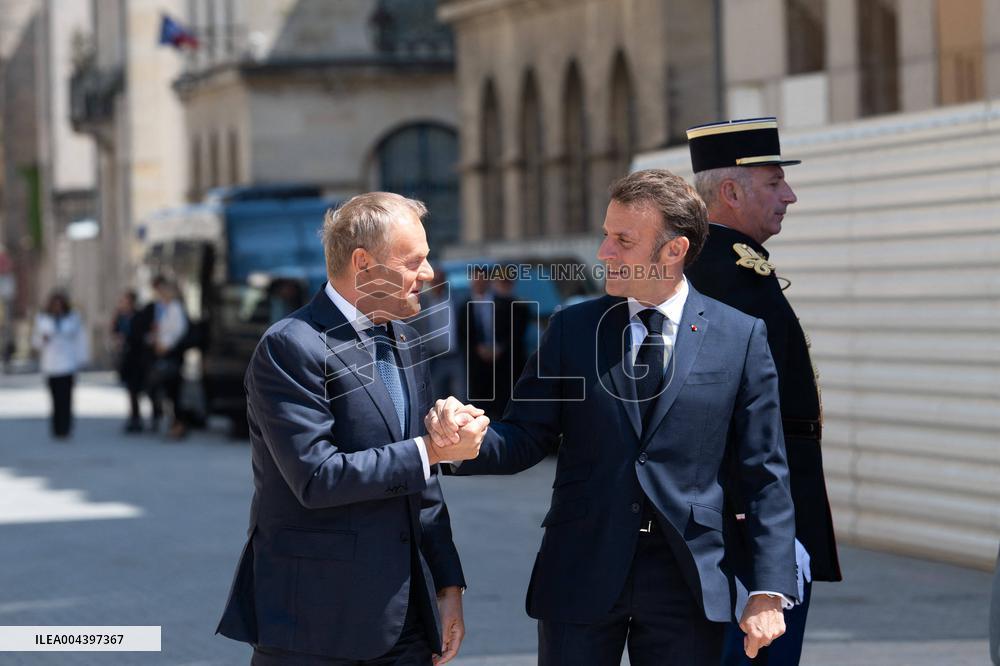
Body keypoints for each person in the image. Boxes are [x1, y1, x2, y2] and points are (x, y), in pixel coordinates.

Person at [426, 169, 798, 665]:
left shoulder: (740, 337)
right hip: (581, 570)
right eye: (606, 235)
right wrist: (460, 443)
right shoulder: (574, 328)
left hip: (688, 579)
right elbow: (524, 437)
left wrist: (769, 588)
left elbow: (765, 473)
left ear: (674, 250)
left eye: (623, 240)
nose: (604, 252)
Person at [216, 192, 488, 665]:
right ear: (364, 263)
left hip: (403, 619)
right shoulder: (291, 347)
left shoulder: (404, 336)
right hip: (315, 624)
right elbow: (316, 477)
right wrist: (432, 449)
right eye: (414, 261)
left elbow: (424, 488)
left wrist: (448, 584)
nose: (428, 274)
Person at [683, 117, 842, 666]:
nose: (789, 196)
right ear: (730, 191)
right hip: (750, 516)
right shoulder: (721, 273)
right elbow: (707, 406)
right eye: (774, 183)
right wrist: (746, 510)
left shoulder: (736, 267)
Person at [31, 291, 87, 439]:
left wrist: (81, 360)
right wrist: (43, 339)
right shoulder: (42, 319)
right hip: (51, 366)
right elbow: (36, 342)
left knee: (67, 398)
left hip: (68, 364)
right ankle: (56, 428)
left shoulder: (73, 318)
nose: (57, 308)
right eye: (54, 305)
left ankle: (66, 428)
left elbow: (80, 340)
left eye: (59, 305)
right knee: (55, 399)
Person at [149, 276, 189, 439]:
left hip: (171, 355)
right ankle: (167, 421)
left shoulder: (175, 308)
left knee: (174, 392)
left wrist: (165, 344)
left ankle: (178, 426)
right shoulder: (159, 308)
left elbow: (178, 331)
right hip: (158, 352)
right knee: (161, 390)